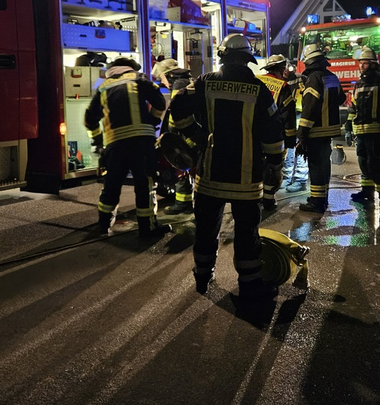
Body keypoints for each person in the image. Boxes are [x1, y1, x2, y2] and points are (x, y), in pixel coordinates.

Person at [169, 33, 284, 303]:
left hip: (210, 174)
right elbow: (273, 131)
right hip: (247, 178)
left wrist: (196, 135)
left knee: (206, 229)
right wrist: (275, 164)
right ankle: (249, 285)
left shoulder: (205, 82)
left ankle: (202, 277)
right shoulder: (259, 89)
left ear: (222, 56)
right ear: (247, 59)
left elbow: (177, 106)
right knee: (247, 233)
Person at [85, 57, 172, 237]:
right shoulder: (139, 79)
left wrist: (98, 141)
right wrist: (153, 121)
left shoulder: (103, 87)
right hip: (142, 142)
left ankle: (104, 225)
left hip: (115, 144)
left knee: (112, 184)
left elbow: (89, 119)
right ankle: (147, 229)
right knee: (145, 185)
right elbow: (159, 102)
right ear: (130, 68)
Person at [296, 44, 347, 213]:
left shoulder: (313, 78)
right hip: (330, 130)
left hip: (316, 130)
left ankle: (316, 203)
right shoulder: (332, 77)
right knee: (324, 164)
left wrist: (302, 133)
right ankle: (322, 198)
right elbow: (341, 98)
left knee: (316, 166)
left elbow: (310, 108)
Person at [347, 47, 380, 206]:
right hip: (360, 131)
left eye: (365, 63)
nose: (361, 66)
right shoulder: (358, 84)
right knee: (363, 163)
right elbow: (353, 108)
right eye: (360, 63)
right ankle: (367, 191)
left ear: (373, 64)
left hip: (375, 131)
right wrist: (348, 127)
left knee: (375, 164)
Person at [256, 55, 298, 211]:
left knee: (256, 164)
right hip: (273, 134)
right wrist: (290, 140)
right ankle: (268, 200)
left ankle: (255, 197)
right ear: (281, 69)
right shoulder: (282, 86)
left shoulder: (256, 81)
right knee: (273, 166)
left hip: (253, 133)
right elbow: (287, 115)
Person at [162, 62, 195, 215]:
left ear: (169, 75)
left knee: (181, 168)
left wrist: (170, 135)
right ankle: (186, 202)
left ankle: (183, 204)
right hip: (192, 133)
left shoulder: (178, 85)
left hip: (184, 134)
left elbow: (175, 113)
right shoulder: (188, 81)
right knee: (189, 169)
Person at [283, 63, 309, 193]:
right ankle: (286, 177)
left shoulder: (300, 78)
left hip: (300, 118)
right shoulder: (281, 82)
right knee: (288, 150)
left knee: (300, 150)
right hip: (289, 120)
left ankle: (300, 180)